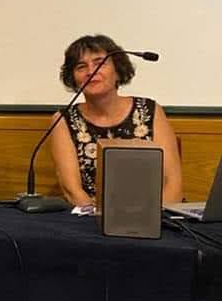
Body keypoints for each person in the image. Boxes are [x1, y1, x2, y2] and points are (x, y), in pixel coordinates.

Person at [48, 34, 183, 207]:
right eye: (81, 67)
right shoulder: (63, 120)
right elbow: (72, 191)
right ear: (73, 77)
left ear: (118, 71)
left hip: (155, 215)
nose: (91, 71)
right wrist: (102, 220)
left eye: (100, 63)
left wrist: (154, 218)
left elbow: (172, 182)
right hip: (92, 218)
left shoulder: (150, 110)